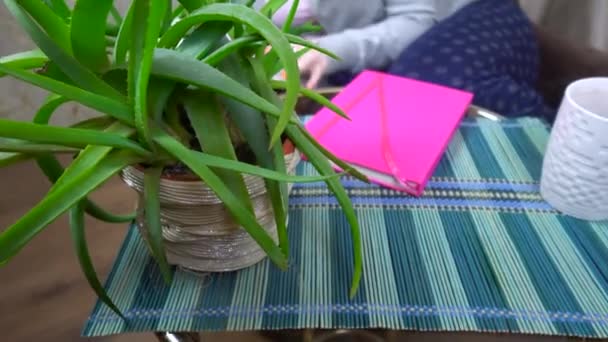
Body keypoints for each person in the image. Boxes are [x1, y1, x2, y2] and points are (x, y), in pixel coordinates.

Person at [265, 0, 556, 121]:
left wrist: (324, 51)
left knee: (419, 93)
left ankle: (544, 134)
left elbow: (413, 22)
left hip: (469, 14)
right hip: (364, 37)